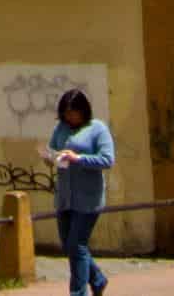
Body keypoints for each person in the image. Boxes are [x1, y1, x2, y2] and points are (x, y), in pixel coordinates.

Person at [47, 87, 116, 296]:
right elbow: (53, 149)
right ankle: (97, 278)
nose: (69, 117)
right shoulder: (60, 128)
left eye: (72, 112)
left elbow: (107, 159)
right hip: (65, 197)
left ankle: (78, 293)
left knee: (77, 246)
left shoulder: (97, 129)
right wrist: (51, 157)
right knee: (69, 246)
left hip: (88, 199)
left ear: (83, 111)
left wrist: (79, 158)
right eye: (65, 113)